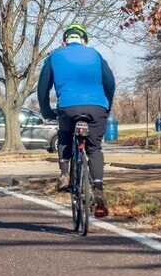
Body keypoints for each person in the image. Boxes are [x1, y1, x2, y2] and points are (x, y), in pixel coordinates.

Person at [37, 23, 115, 218]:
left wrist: (46, 111)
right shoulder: (96, 55)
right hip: (97, 107)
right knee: (94, 149)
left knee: (64, 136)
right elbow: (110, 82)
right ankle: (97, 188)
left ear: (64, 42)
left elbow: (42, 88)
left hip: (68, 108)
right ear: (85, 42)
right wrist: (107, 104)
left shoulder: (54, 56)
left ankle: (64, 174)